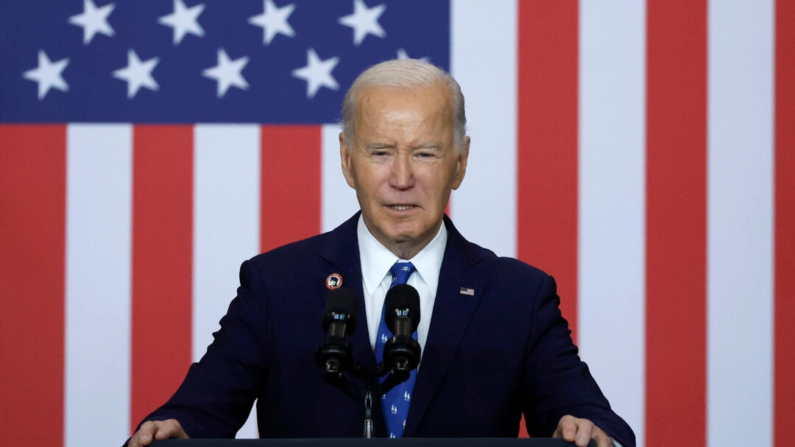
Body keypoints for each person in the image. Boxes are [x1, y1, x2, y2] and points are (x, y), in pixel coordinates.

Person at [127, 59, 635, 447]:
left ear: (460, 163)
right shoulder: (276, 286)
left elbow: (594, 422)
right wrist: (175, 432)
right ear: (348, 162)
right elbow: (197, 413)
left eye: (425, 153)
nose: (401, 178)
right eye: (380, 152)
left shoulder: (517, 297)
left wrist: (592, 434)